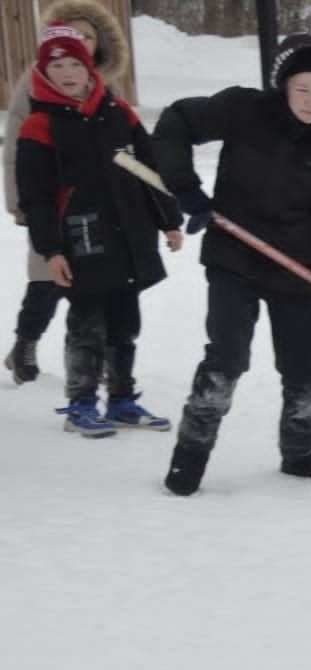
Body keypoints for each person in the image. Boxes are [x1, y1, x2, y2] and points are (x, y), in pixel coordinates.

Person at [154, 34, 311, 495]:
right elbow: (175, 122)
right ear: (282, 87)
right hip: (235, 258)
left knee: (308, 368)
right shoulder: (243, 110)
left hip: (298, 267)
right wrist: (186, 188)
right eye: (302, 88)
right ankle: (189, 456)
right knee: (226, 359)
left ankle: (299, 453)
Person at [15, 22, 181, 436]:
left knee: (125, 322)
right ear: (44, 73)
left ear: (89, 67)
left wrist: (168, 220)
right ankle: (81, 403)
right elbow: (36, 197)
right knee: (87, 324)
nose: (68, 73)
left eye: (75, 63)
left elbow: (146, 168)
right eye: (58, 67)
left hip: (129, 233)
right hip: (80, 238)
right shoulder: (39, 126)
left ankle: (122, 399)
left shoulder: (117, 112)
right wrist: (50, 251)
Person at [3, 0, 128, 386]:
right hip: (52, 200)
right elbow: (15, 148)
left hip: (102, 204)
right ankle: (25, 342)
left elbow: (125, 147)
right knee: (47, 278)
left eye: (88, 37)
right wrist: (20, 203)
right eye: (73, 37)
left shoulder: (107, 84)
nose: (81, 45)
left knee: (104, 282)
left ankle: (102, 356)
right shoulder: (36, 82)